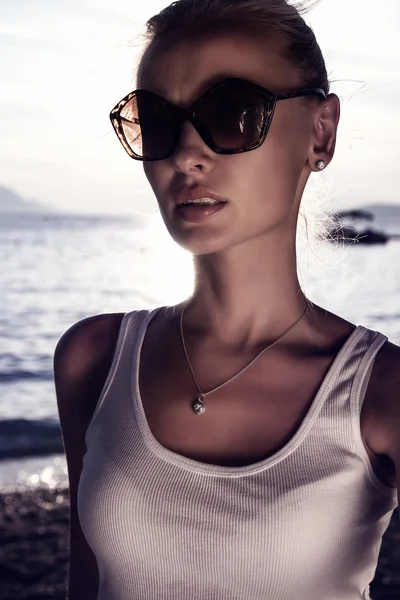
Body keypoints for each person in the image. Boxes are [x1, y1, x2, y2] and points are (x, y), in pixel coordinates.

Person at [54, 1, 399, 598]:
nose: (186, 154)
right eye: (158, 121)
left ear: (321, 131)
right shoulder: (93, 357)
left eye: (232, 113)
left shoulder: (382, 392)